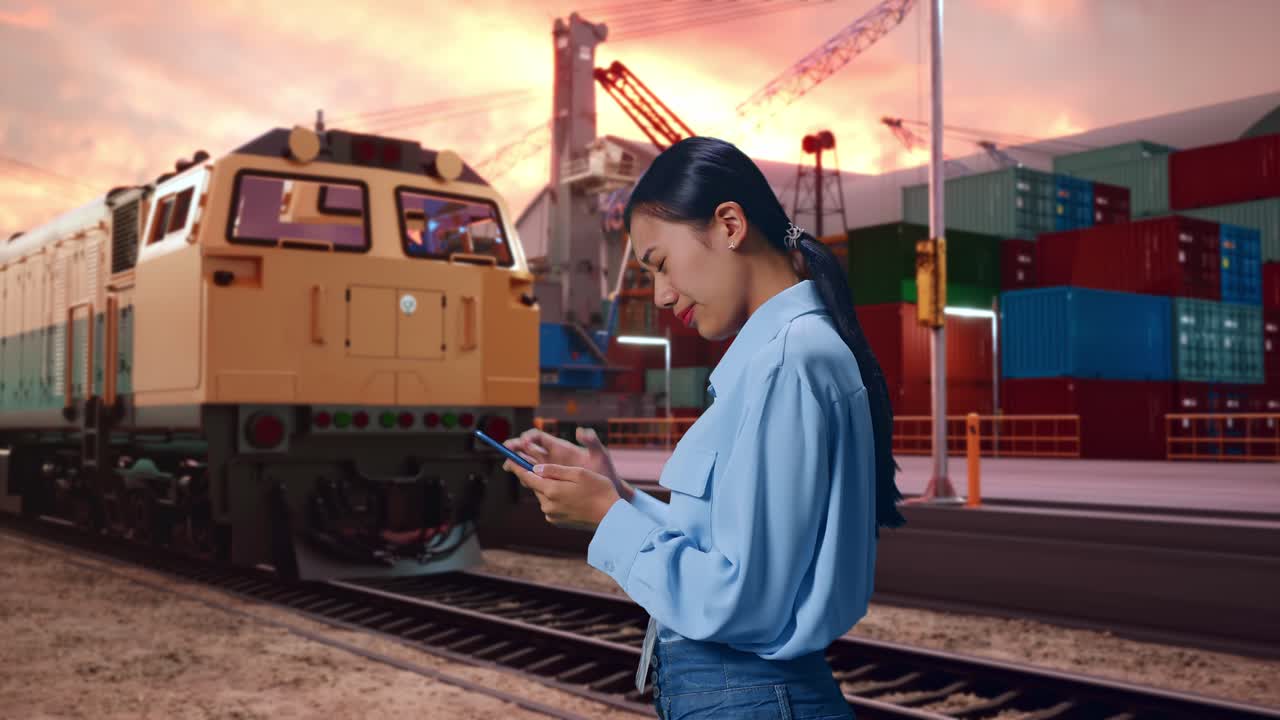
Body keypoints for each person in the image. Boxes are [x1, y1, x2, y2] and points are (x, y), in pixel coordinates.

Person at [502, 136, 905, 720]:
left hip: (750, 697)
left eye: (660, 265)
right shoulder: (780, 355)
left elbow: (742, 600)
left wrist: (605, 519)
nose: (662, 296)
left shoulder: (788, 361)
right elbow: (730, 550)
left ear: (730, 224)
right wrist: (616, 495)